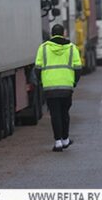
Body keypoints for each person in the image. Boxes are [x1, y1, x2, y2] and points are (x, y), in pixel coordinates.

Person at [35, 24, 82, 152]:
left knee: (55, 114)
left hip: (50, 87)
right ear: (64, 33)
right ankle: (65, 139)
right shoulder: (72, 48)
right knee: (64, 112)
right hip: (67, 87)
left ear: (52, 33)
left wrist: (43, 81)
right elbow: (78, 69)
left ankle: (58, 142)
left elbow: (37, 68)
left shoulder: (43, 48)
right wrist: (73, 82)